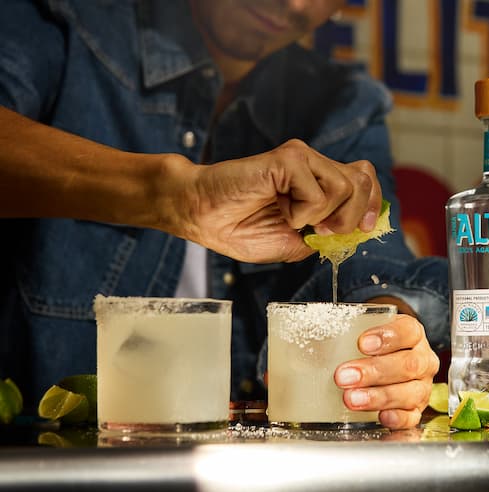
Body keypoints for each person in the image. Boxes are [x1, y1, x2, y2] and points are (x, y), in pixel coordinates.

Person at [0, 0, 450, 430]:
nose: (295, 6)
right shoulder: (63, 24)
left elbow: (374, 263)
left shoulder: (345, 102)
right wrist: (176, 196)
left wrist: (387, 340)